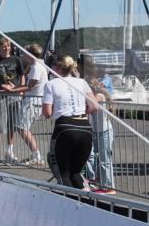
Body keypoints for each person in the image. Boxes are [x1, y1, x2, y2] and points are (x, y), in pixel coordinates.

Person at [41, 54, 96, 190]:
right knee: (76, 172)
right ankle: (84, 198)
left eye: (53, 66)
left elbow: (47, 112)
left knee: (63, 173)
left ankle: (68, 199)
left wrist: (58, 111)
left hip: (64, 128)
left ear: (58, 68)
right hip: (84, 127)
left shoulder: (51, 84)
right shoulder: (82, 82)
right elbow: (94, 106)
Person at [0, 38, 25, 162]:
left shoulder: (17, 59)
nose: (6, 48)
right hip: (0, 95)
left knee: (12, 124)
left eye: (8, 46)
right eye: (3, 46)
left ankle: (9, 150)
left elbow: (22, 76)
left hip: (14, 95)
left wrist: (21, 91)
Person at [16, 43, 47, 166]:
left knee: (22, 128)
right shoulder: (36, 66)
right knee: (23, 128)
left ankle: (36, 155)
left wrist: (13, 89)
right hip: (33, 101)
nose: (23, 55)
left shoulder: (36, 67)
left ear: (30, 54)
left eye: (25, 53)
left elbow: (30, 86)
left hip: (33, 102)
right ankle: (36, 154)